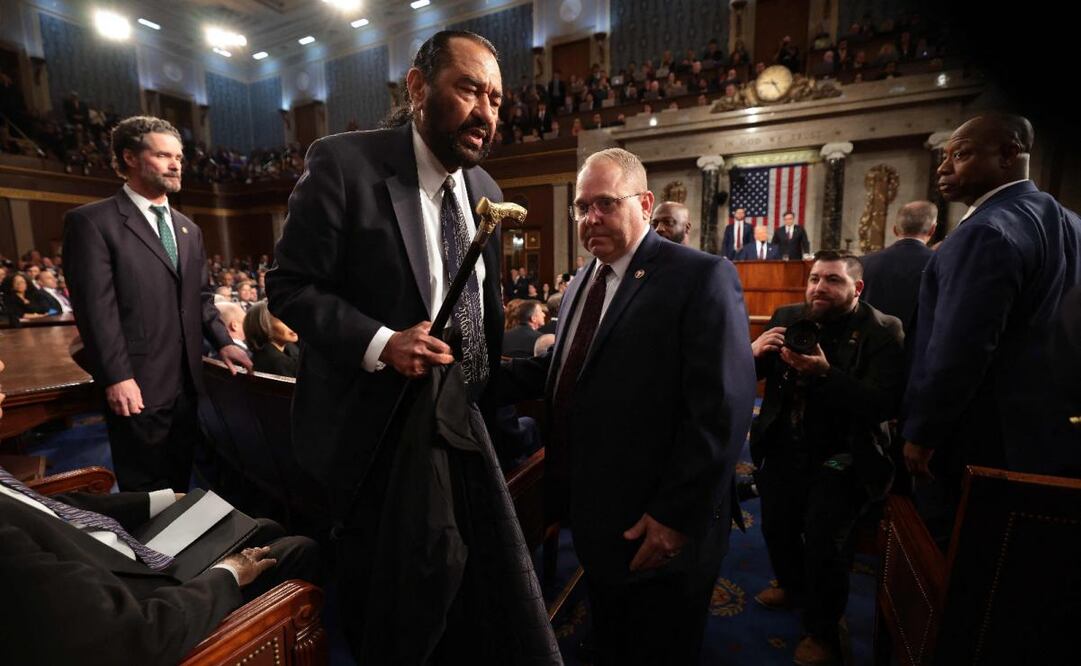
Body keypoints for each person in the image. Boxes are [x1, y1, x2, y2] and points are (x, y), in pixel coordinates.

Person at [266, 31, 555, 660]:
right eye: (470, 89)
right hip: (377, 431)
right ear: (418, 88)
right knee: (394, 602)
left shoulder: (489, 191)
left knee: (461, 590)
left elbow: (480, 306)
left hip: (464, 422)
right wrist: (380, 342)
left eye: (498, 100)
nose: (487, 112)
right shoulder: (344, 163)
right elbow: (287, 288)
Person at [505, 148, 756, 665]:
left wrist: (674, 517)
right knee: (614, 638)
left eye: (605, 203)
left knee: (660, 647)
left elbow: (721, 411)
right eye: (581, 207)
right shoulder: (581, 283)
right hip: (598, 516)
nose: (590, 217)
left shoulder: (699, 276)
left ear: (644, 202)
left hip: (659, 523)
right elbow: (567, 372)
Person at [0, 359, 319, 666]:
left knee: (263, 528)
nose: (2, 375)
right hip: (138, 599)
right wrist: (229, 574)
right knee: (298, 550)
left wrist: (158, 500)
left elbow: (51, 508)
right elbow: (128, 638)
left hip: (114, 555)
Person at [903, 114, 1081, 540]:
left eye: (960, 154)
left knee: (956, 562)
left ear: (1008, 155)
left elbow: (960, 350)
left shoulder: (985, 231)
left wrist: (922, 434)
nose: (943, 168)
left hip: (979, 442)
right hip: (1050, 437)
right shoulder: (1072, 223)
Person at [62, 116, 252, 492]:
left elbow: (199, 298)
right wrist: (117, 377)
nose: (175, 163)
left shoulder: (188, 228)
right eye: (163, 155)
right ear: (130, 157)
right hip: (136, 383)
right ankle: (148, 554)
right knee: (145, 492)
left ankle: (180, 552)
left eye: (178, 156)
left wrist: (224, 341)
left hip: (187, 383)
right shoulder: (92, 222)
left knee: (180, 481)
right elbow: (96, 311)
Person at [750, 251, 905, 664]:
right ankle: (790, 584)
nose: (819, 287)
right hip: (784, 445)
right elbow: (752, 378)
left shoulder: (883, 330)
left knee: (825, 544)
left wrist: (825, 374)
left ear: (856, 288)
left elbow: (881, 404)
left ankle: (821, 630)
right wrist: (752, 354)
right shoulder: (788, 315)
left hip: (843, 455)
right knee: (777, 526)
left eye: (832, 280)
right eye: (815, 278)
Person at [859, 200, 937, 334]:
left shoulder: (863, 263)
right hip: (917, 349)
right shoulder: (939, 263)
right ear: (932, 229)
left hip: (870, 347)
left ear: (895, 229)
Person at [244, 300, 300, 377]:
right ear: (264, 325)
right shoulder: (277, 363)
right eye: (284, 320)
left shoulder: (291, 351)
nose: (293, 323)